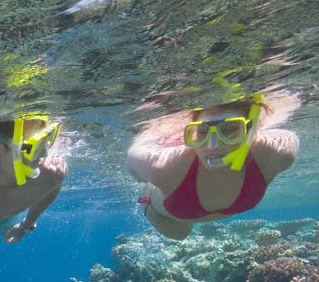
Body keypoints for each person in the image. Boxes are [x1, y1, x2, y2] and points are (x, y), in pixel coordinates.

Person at [127, 92, 299, 240]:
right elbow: (133, 158)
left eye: (230, 129)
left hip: (186, 206)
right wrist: (141, 177)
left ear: (251, 132)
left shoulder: (275, 154)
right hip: (166, 215)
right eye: (202, 132)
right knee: (179, 236)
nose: (213, 145)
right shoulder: (163, 166)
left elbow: (289, 138)